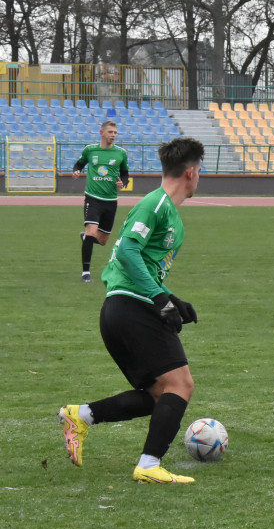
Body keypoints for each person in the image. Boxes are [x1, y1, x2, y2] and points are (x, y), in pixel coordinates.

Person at [59, 137, 206, 484]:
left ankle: (80, 416)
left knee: (160, 395)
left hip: (123, 309)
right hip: (131, 309)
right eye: (200, 171)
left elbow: (144, 265)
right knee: (181, 385)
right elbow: (126, 252)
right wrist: (159, 298)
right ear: (191, 172)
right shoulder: (156, 205)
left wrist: (172, 297)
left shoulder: (166, 211)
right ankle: (149, 465)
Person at [72, 120, 130, 283]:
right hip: (93, 198)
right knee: (91, 230)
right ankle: (85, 273)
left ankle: (87, 238)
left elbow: (125, 174)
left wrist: (122, 183)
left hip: (111, 201)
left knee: (103, 241)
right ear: (102, 133)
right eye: (110, 132)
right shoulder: (90, 150)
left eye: (115, 133)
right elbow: (80, 163)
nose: (113, 135)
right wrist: (76, 170)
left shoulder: (121, 153)